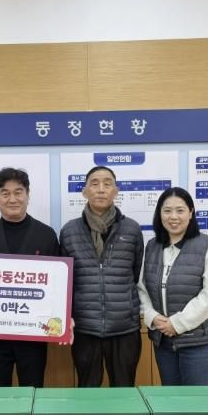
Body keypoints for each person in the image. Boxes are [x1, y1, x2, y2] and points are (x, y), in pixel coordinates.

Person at [0, 167, 60, 387]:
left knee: (34, 391)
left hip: (34, 334)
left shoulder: (46, 235)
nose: (12, 199)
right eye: (5, 193)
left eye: (18, 192)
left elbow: (57, 285)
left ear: (28, 194)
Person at [60, 165, 144, 387]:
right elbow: (65, 282)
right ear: (84, 191)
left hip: (124, 327)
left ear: (116, 191)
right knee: (87, 391)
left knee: (124, 390)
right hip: (85, 327)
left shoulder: (132, 229)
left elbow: (136, 273)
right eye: (94, 183)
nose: (101, 189)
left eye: (107, 184)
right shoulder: (69, 231)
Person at [137, 186, 208, 385]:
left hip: (197, 342)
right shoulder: (152, 246)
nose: (173, 217)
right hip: (163, 341)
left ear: (191, 213)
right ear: (159, 214)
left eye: (180, 210)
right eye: (167, 211)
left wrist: (177, 324)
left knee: (195, 399)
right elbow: (142, 287)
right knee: (170, 397)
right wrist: (152, 316)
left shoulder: (206, 246)